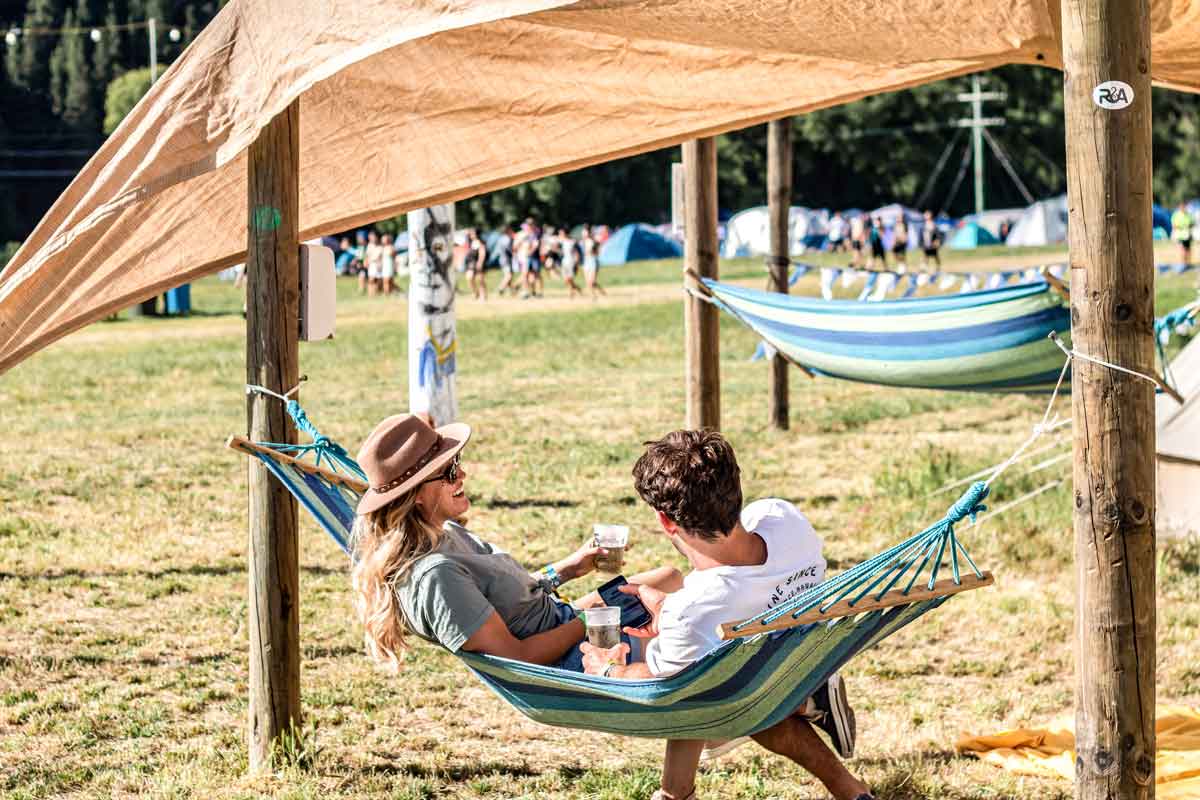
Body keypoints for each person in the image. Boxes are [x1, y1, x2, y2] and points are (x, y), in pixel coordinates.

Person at [579, 430, 874, 800]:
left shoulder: (693, 609)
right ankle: (816, 724)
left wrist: (610, 669)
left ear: (667, 522)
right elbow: (738, 582)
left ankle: (676, 793)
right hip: (798, 660)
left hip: (750, 686)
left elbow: (662, 686)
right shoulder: (782, 517)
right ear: (735, 488)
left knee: (715, 691)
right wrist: (671, 612)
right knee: (735, 682)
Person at [349, 414, 683, 675]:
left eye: (457, 462)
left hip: (560, 619)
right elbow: (517, 657)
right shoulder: (437, 578)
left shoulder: (443, 533)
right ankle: (699, 709)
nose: (462, 474)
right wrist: (587, 620)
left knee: (670, 578)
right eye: (449, 471)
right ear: (417, 495)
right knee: (686, 630)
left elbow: (506, 596)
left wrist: (568, 569)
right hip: (570, 657)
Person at [581, 224, 606, 299]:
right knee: (588, 282)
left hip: (593, 261)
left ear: (589, 233)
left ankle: (596, 295)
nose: (583, 235)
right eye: (583, 233)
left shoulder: (594, 241)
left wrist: (592, 252)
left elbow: (597, 252)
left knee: (592, 282)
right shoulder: (583, 242)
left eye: (585, 233)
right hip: (586, 261)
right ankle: (596, 294)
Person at [464, 228, 488, 301]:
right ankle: (476, 293)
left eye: (473, 234)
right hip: (470, 263)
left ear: (477, 234)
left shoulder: (480, 242)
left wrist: (480, 262)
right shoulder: (471, 242)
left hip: (478, 262)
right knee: (469, 277)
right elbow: (466, 233)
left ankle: (483, 296)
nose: (471, 235)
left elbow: (482, 253)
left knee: (480, 280)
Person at [559, 227, 583, 298]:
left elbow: (577, 253)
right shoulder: (562, 242)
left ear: (565, 234)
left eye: (561, 233)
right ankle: (578, 288)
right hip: (564, 262)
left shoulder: (572, 242)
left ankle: (571, 294)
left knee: (570, 279)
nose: (560, 235)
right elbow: (562, 252)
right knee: (566, 280)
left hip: (571, 262)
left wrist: (577, 263)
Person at [364, 230, 384, 297]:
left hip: (378, 265)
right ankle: (371, 294)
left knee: (378, 280)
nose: (371, 238)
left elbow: (381, 257)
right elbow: (367, 255)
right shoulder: (369, 245)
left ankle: (377, 293)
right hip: (371, 264)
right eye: (370, 237)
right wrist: (366, 262)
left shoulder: (381, 246)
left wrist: (380, 264)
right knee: (371, 279)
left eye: (372, 237)